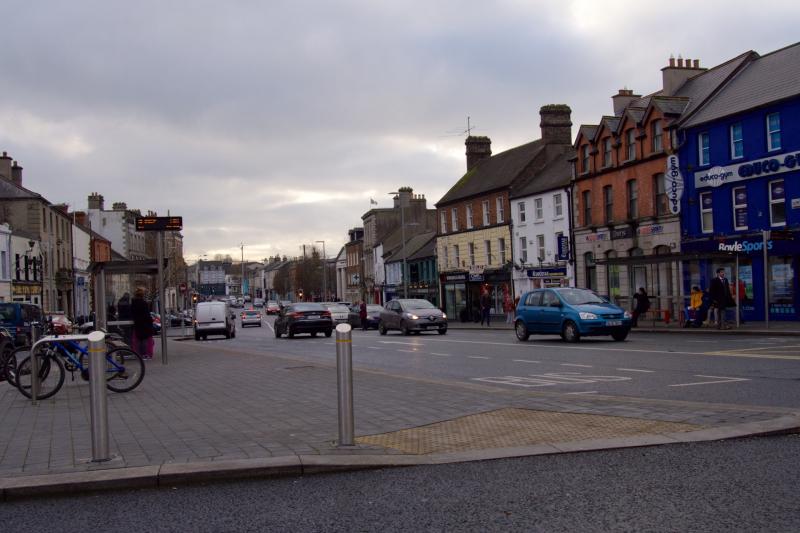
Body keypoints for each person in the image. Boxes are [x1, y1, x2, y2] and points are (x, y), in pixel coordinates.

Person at [131, 288, 155, 359]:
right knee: (145, 340)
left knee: (138, 340)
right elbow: (147, 315)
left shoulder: (133, 303)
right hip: (145, 324)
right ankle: (145, 354)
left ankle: (138, 354)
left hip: (137, 324)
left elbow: (132, 313)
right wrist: (150, 321)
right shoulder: (144, 303)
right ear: (142, 295)